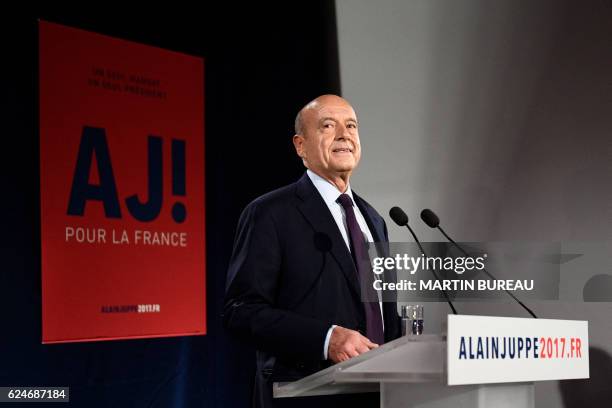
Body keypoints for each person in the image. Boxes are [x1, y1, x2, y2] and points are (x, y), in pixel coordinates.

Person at [223, 94, 400, 407]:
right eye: (328, 126)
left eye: (352, 126)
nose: (345, 134)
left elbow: (379, 311)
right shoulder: (270, 213)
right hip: (306, 394)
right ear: (300, 145)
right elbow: (241, 311)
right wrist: (327, 339)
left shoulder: (375, 220)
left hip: (381, 395)